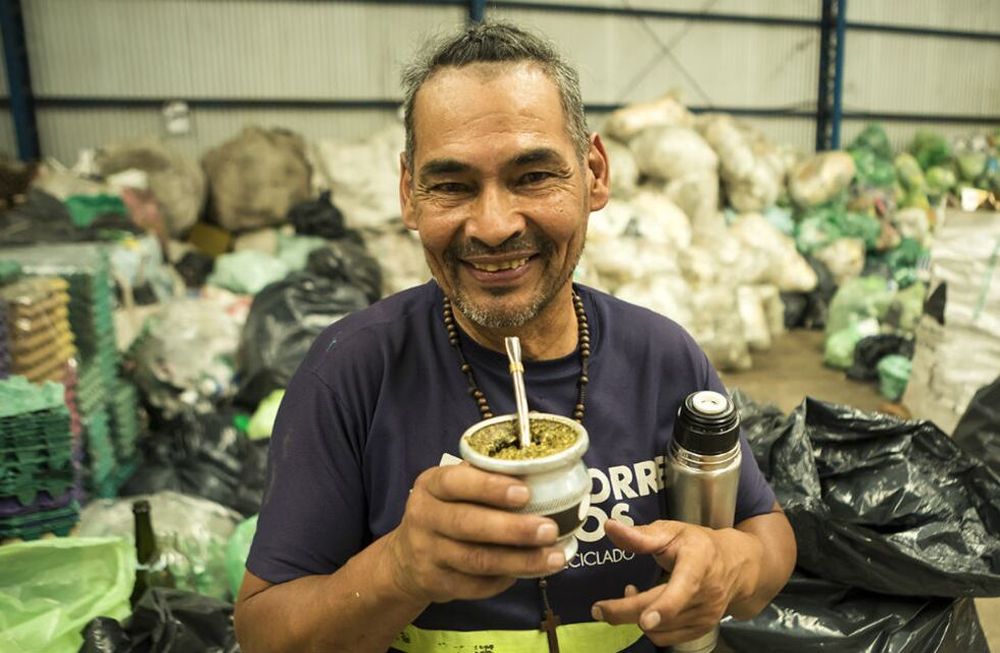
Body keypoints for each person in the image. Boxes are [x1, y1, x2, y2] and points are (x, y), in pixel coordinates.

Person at [234, 21, 796, 653]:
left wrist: (727, 569)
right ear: (408, 194)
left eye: (533, 176)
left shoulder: (661, 356)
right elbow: (263, 633)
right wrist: (397, 570)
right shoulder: (351, 371)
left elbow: (767, 538)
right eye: (452, 186)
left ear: (594, 173)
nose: (495, 225)